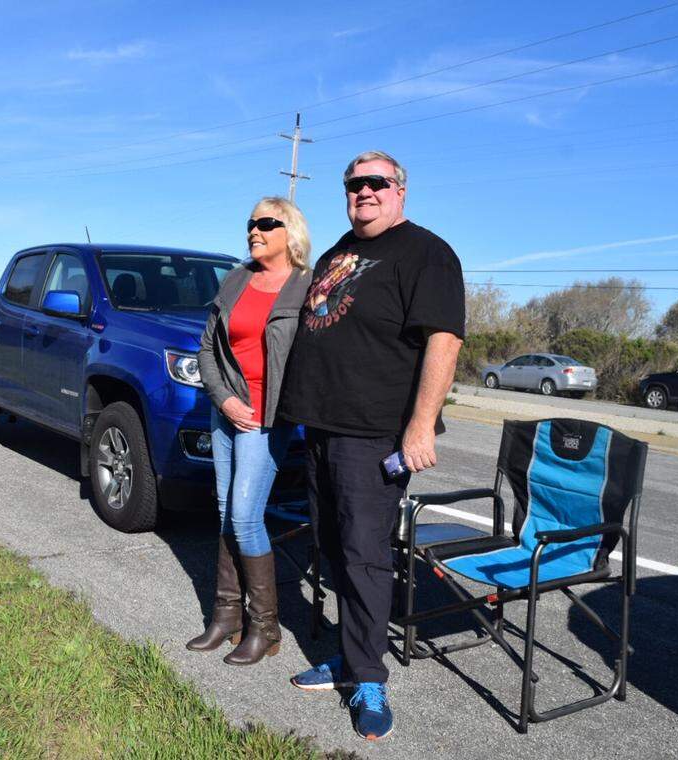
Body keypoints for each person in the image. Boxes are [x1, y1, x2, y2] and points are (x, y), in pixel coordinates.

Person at [279, 151, 465, 740]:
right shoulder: (340, 251)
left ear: (400, 190)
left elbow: (444, 340)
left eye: (376, 182)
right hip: (322, 427)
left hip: (373, 433)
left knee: (364, 555)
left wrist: (421, 424)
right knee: (333, 546)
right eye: (354, 184)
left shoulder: (427, 253)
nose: (364, 191)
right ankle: (350, 654)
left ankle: (369, 678)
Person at [189, 197, 313, 665]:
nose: (254, 231)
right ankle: (227, 616)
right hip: (227, 411)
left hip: (267, 418)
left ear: (290, 231)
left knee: (245, 516)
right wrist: (224, 399)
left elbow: (314, 357)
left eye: (266, 223)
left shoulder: (306, 286)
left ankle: (266, 626)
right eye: (250, 223)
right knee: (225, 512)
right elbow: (207, 349)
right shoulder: (237, 279)